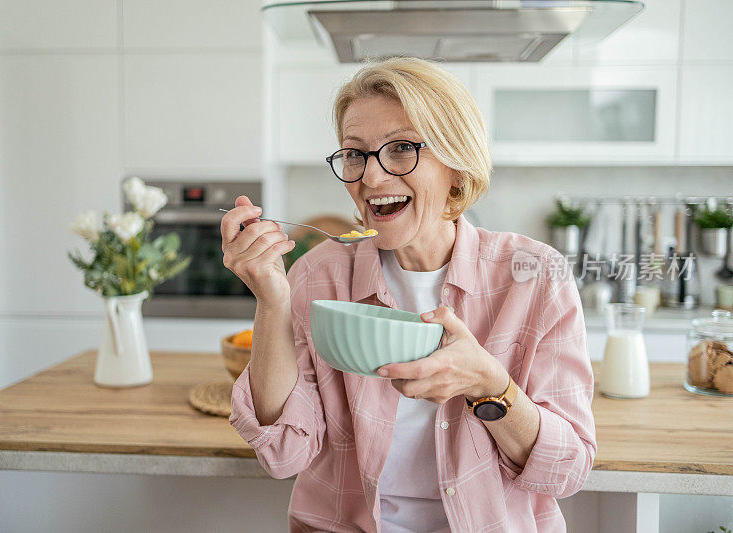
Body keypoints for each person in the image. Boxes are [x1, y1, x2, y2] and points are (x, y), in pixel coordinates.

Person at [221, 57, 596, 532]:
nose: (371, 178)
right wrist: (272, 301)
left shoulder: (535, 277)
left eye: (401, 149)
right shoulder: (318, 275)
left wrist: (490, 386)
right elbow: (282, 454)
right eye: (355, 154)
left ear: (456, 167)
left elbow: (568, 469)